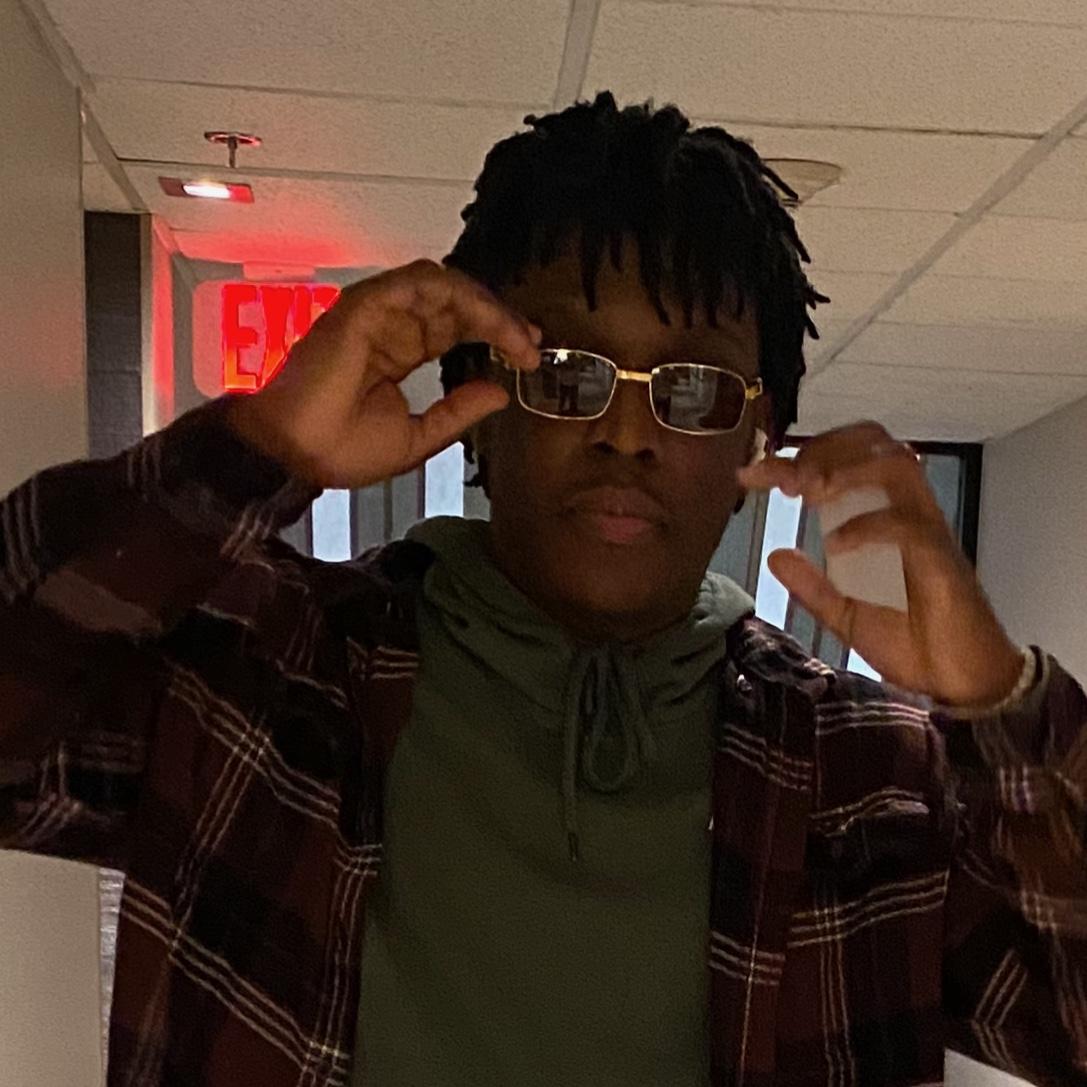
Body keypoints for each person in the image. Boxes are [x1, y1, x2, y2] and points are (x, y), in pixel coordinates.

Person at [1, 93, 1084, 1087]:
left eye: (694, 388)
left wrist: (1003, 697)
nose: (627, 433)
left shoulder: (868, 785)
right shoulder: (259, 673)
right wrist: (257, 449)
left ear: (756, 439)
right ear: (477, 398)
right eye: (568, 371)